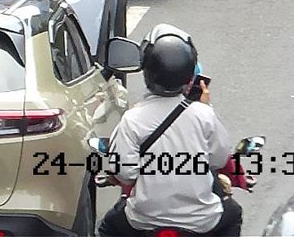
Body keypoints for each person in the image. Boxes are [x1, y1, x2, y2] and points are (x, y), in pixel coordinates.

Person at [98, 25, 242, 236]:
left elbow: (126, 174)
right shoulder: (204, 114)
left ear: (147, 72)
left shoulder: (132, 119)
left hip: (143, 220)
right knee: (233, 214)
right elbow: (219, 159)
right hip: (203, 221)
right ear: (189, 76)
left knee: (107, 227)